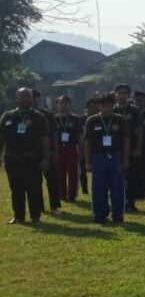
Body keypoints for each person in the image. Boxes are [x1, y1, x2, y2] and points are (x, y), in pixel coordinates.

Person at [0, 87, 51, 224]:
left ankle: (35, 217)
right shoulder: (8, 116)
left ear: (32, 98)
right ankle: (18, 216)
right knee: (16, 189)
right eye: (23, 96)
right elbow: (1, 137)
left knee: (33, 188)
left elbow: (45, 138)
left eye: (28, 96)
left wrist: (46, 158)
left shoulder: (39, 117)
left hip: (32, 159)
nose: (26, 99)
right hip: (12, 159)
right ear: (17, 98)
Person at [83, 93, 130, 224]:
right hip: (98, 157)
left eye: (108, 105)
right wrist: (87, 162)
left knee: (118, 187)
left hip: (116, 156)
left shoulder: (120, 120)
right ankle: (99, 213)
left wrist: (125, 160)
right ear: (98, 106)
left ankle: (118, 214)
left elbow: (126, 141)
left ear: (112, 105)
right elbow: (87, 142)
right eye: (102, 105)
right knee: (98, 187)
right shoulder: (92, 120)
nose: (106, 108)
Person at [113, 84, 144, 212]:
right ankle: (116, 202)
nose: (122, 95)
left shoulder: (135, 110)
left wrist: (138, 147)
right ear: (115, 94)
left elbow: (140, 130)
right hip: (114, 147)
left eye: (124, 93)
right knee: (115, 176)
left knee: (131, 176)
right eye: (119, 93)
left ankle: (130, 202)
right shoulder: (112, 109)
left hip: (131, 146)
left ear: (129, 95)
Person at [32, 89, 60, 212]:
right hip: (33, 153)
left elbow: (54, 134)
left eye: (32, 97)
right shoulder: (26, 115)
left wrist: (55, 151)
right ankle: (39, 207)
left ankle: (54, 205)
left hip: (49, 151)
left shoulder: (48, 115)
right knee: (35, 182)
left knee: (52, 179)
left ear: (38, 98)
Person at [54, 96, 84, 202]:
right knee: (60, 172)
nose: (63, 105)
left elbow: (80, 135)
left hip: (72, 147)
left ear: (69, 105)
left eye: (66, 103)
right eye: (61, 103)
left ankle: (71, 195)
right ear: (57, 105)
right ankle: (61, 194)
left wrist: (81, 149)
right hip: (59, 147)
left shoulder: (75, 118)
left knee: (73, 172)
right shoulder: (54, 119)